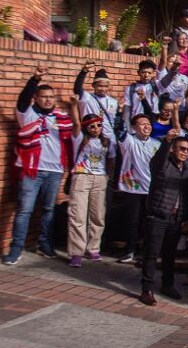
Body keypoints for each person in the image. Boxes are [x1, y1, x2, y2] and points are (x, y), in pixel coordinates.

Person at [139, 130, 188, 306]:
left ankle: (167, 284)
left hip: (176, 218)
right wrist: (167, 142)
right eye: (181, 149)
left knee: (170, 254)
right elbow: (160, 157)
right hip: (158, 215)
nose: (185, 152)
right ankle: (147, 288)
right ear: (173, 149)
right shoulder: (162, 164)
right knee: (152, 253)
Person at [66, 104, 111, 268]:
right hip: (81, 177)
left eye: (98, 125)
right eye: (91, 126)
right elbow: (77, 123)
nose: (96, 128)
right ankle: (76, 252)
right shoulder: (80, 139)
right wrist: (74, 104)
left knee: (98, 215)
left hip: (100, 179)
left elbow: (111, 159)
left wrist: (108, 175)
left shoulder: (106, 142)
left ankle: (93, 248)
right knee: (77, 215)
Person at [116, 114, 161, 263]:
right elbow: (120, 131)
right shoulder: (129, 141)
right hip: (132, 188)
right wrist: (121, 116)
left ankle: (146, 252)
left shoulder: (157, 144)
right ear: (134, 128)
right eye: (142, 124)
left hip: (151, 189)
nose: (146, 126)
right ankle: (130, 250)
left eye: (148, 123)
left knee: (148, 222)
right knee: (132, 222)